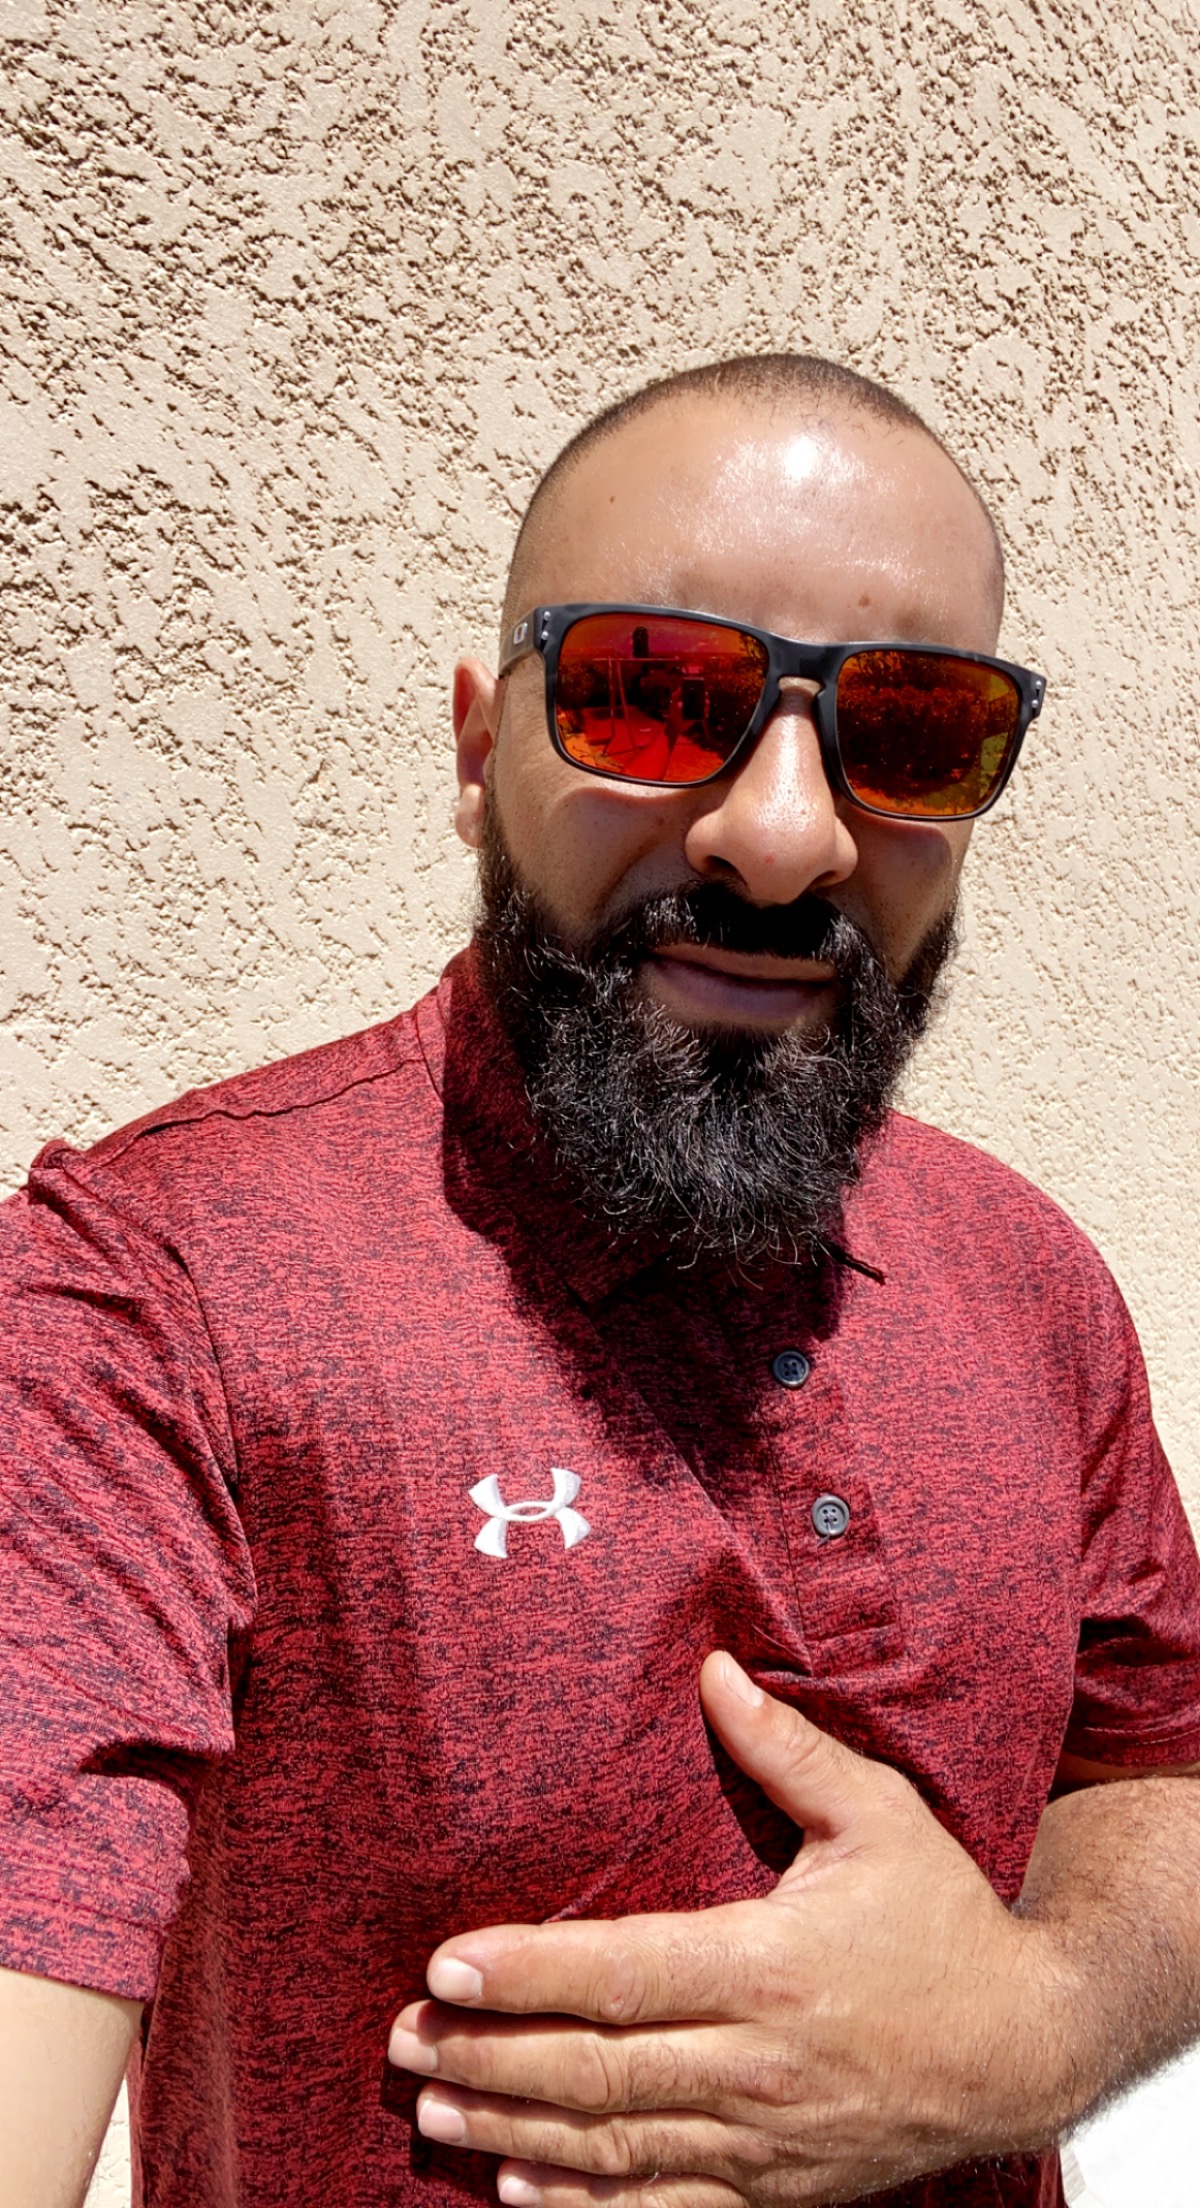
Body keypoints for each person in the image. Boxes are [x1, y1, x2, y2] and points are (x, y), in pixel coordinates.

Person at [1, 354, 1198, 2208]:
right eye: (655, 696)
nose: (783, 834)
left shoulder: (1031, 1274)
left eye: (910, 729)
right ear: (480, 752)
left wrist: (1028, 2033)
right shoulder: (153, 1290)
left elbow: (1160, 1769)